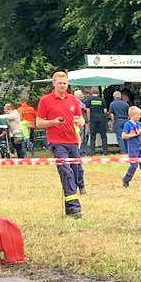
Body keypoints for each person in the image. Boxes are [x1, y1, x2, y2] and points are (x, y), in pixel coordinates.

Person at [36, 69, 85, 218]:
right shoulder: (45, 100)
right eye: (60, 83)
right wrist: (53, 122)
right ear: (54, 84)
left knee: (76, 173)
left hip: (73, 141)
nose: (63, 86)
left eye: (65, 83)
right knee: (66, 172)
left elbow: (81, 118)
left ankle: (70, 206)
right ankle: (75, 209)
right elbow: (38, 123)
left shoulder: (73, 99)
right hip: (56, 142)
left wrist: (80, 121)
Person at [120, 105, 141, 192]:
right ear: (133, 115)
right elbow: (123, 136)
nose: (140, 116)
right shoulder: (127, 124)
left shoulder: (140, 124)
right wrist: (133, 135)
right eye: (139, 115)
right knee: (133, 165)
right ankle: (126, 179)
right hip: (132, 148)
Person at [84, 88, 108, 152]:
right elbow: (105, 111)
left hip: (93, 119)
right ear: (98, 93)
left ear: (91, 92)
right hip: (101, 119)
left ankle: (92, 151)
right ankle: (105, 151)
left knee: (93, 136)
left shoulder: (89, 100)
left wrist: (88, 119)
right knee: (103, 136)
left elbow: (88, 110)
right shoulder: (102, 100)